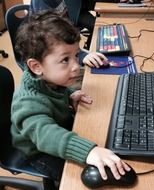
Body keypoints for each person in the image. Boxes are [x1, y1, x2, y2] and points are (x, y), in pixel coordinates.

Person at [11, 10, 130, 190]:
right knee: (76, 179)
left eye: (75, 55)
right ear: (36, 66)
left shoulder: (50, 79)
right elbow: (45, 135)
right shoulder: (27, 102)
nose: (76, 66)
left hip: (57, 132)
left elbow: (54, 93)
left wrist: (69, 96)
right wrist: (88, 151)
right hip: (38, 151)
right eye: (65, 60)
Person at [29, 0, 96, 49]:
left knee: (97, 26)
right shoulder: (41, 2)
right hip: (49, 38)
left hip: (70, 16)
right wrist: (81, 54)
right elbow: (49, 35)